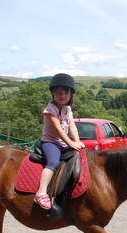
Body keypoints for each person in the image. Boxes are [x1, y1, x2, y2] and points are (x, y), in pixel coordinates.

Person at [34, 73, 85, 210]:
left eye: (65, 92)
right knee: (53, 162)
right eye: (58, 92)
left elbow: (72, 126)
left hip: (63, 143)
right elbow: (58, 130)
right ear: (53, 94)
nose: (62, 95)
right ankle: (41, 192)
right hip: (50, 142)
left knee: (79, 157)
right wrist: (71, 143)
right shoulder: (50, 109)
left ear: (71, 94)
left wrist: (78, 141)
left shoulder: (68, 109)